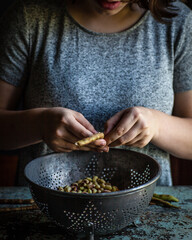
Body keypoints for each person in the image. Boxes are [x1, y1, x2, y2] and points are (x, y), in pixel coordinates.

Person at [0, 0, 192, 186]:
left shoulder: (178, 21)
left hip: (150, 207)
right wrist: (40, 124)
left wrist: (157, 125)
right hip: (44, 204)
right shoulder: (29, 16)